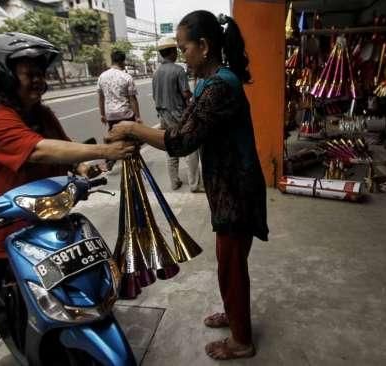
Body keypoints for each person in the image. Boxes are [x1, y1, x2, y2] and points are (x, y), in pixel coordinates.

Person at [0, 32, 135, 366]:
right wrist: (104, 149)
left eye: (41, 73)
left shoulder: (42, 113)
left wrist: (82, 164)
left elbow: (64, 146)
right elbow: (40, 150)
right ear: (5, 76)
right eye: (30, 73)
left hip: (43, 220)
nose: (39, 81)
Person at [107, 11, 268, 360]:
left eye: (184, 48)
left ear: (205, 46)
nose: (183, 56)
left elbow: (181, 141)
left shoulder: (219, 86)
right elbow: (187, 128)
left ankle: (242, 340)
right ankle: (234, 312)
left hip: (235, 192)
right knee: (231, 262)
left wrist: (135, 130)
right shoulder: (214, 81)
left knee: (231, 265)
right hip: (233, 187)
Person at [152, 37, 202, 191]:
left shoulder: (156, 72)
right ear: (173, 52)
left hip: (163, 116)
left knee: (170, 146)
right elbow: (186, 94)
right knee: (191, 147)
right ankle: (194, 184)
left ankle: (174, 181)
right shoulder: (178, 70)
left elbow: (155, 96)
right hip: (178, 115)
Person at [97, 49, 141, 129]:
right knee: (131, 139)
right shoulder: (127, 77)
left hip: (110, 116)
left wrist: (102, 115)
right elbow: (132, 99)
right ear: (122, 61)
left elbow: (101, 98)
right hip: (126, 115)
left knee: (115, 137)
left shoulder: (101, 77)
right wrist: (137, 117)